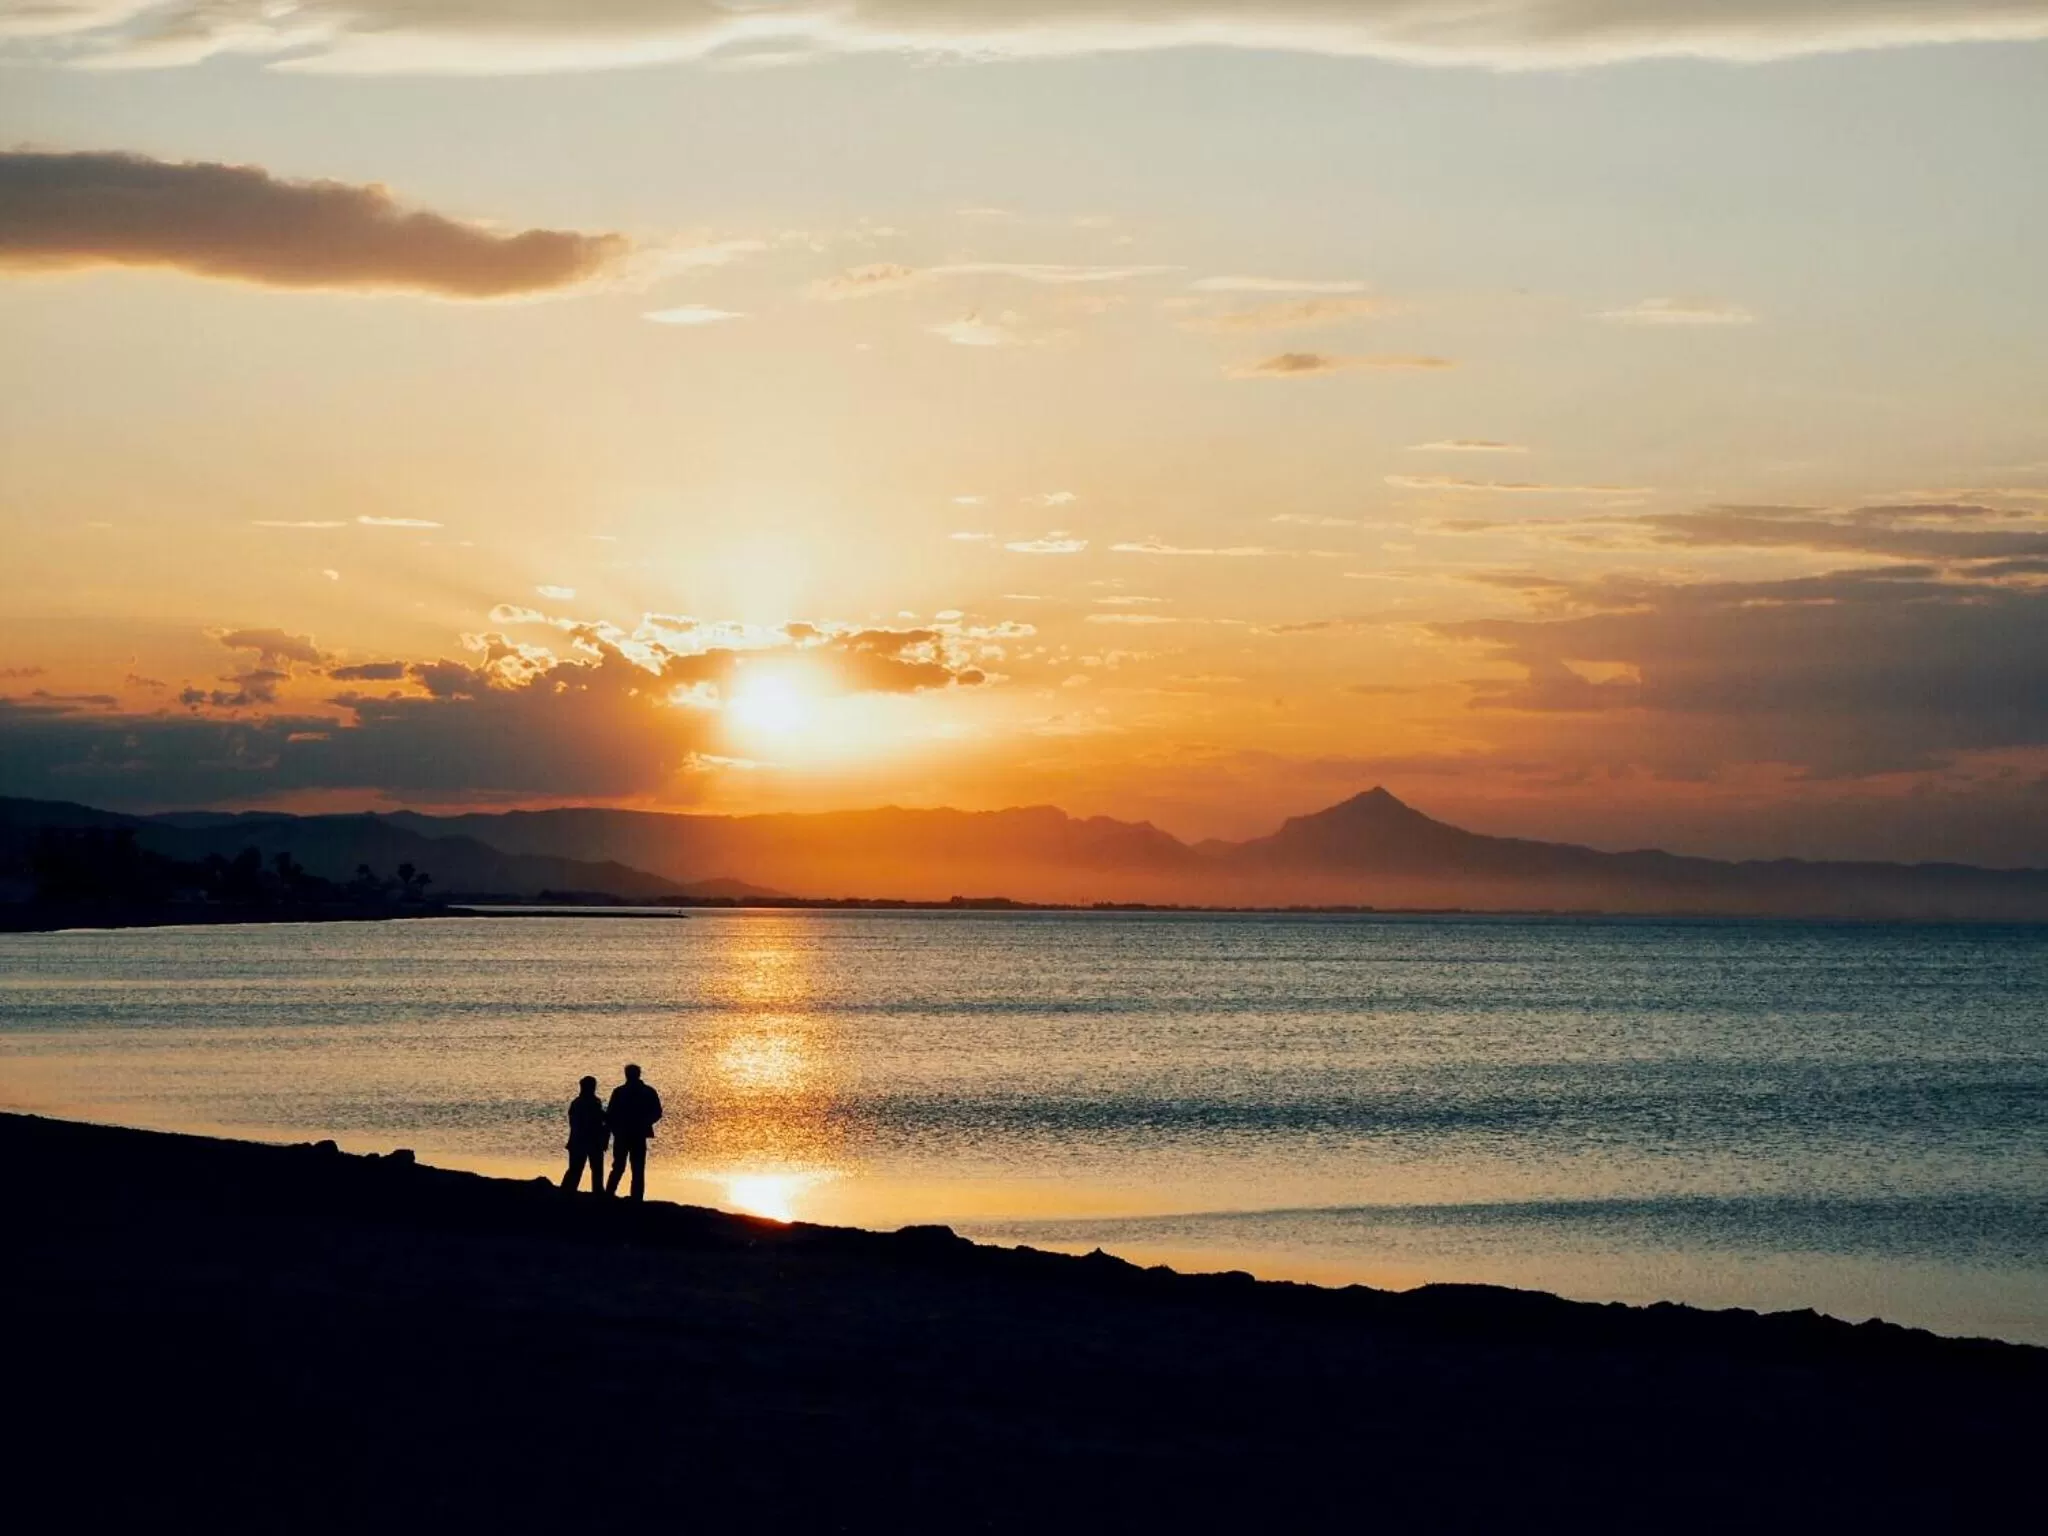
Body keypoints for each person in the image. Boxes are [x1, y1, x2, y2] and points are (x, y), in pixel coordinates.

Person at [604, 1063, 663, 1200]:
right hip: (636, 1134)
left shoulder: (619, 1092)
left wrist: (611, 1130)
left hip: (623, 1134)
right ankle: (636, 1198)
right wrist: (646, 1122)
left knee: (619, 1166)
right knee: (637, 1168)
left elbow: (610, 1114)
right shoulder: (647, 1091)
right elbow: (657, 1112)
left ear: (626, 1075)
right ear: (639, 1074)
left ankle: (609, 1195)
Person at [560, 1075, 608, 1194]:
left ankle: (567, 1192)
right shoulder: (589, 1103)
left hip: (580, 1141)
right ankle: (570, 1192)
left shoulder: (579, 1102)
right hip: (589, 1141)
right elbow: (597, 1120)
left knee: (577, 1170)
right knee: (584, 1169)